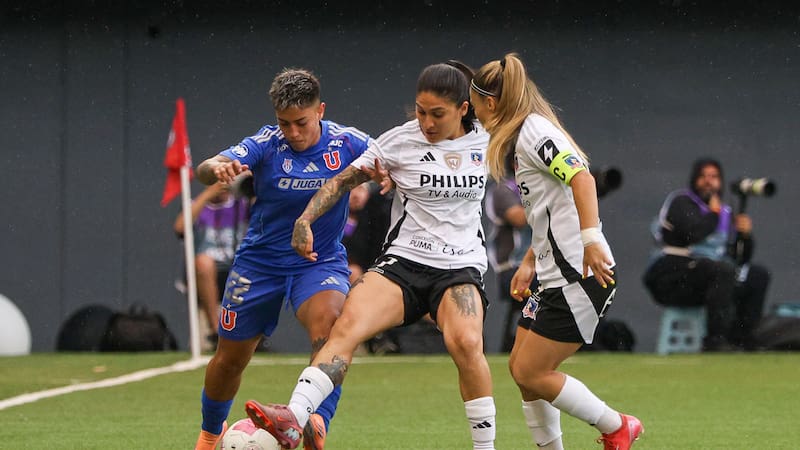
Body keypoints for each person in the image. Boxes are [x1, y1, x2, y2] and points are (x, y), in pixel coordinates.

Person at [244, 61, 498, 450]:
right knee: (346, 327)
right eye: (420, 110)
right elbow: (343, 180)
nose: (426, 122)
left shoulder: (489, 139)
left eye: (437, 114)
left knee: (465, 343)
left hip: (459, 267)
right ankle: (293, 419)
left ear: (464, 108)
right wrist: (306, 218)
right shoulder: (398, 141)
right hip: (403, 263)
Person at [192, 68, 372, 450]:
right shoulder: (266, 143)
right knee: (230, 360)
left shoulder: (348, 142)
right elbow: (205, 169)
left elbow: (391, 157)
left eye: (301, 122)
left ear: (320, 110)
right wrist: (216, 169)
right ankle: (210, 434)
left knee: (332, 330)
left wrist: (383, 177)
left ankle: (315, 424)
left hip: (318, 262)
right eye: (284, 123)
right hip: (259, 265)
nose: (292, 132)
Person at [470, 53, 643, 450]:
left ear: (491, 104)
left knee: (533, 372)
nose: (476, 116)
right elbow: (549, 207)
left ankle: (618, 425)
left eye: (476, 107)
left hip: (578, 278)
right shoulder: (523, 135)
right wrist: (530, 261)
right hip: (553, 277)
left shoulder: (533, 133)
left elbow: (582, 179)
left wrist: (591, 239)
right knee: (520, 368)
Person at [643, 157, 770, 351]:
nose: (709, 181)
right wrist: (713, 214)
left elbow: (738, 258)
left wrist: (745, 236)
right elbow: (693, 234)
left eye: (714, 176)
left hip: (711, 281)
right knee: (720, 271)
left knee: (757, 275)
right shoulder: (681, 202)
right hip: (673, 277)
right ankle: (714, 341)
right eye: (703, 176)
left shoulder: (725, 213)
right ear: (694, 179)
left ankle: (743, 338)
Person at [174, 180, 251, 347]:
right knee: (204, 262)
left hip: (236, 266)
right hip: (203, 270)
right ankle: (216, 330)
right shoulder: (196, 205)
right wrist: (208, 194)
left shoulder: (241, 205)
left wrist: (248, 184)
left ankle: (252, 332)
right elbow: (179, 228)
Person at [484, 153, 535, 352]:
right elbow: (520, 218)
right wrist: (554, 201)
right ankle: (526, 343)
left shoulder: (538, 189)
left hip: (539, 265)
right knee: (547, 291)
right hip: (513, 268)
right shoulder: (504, 190)